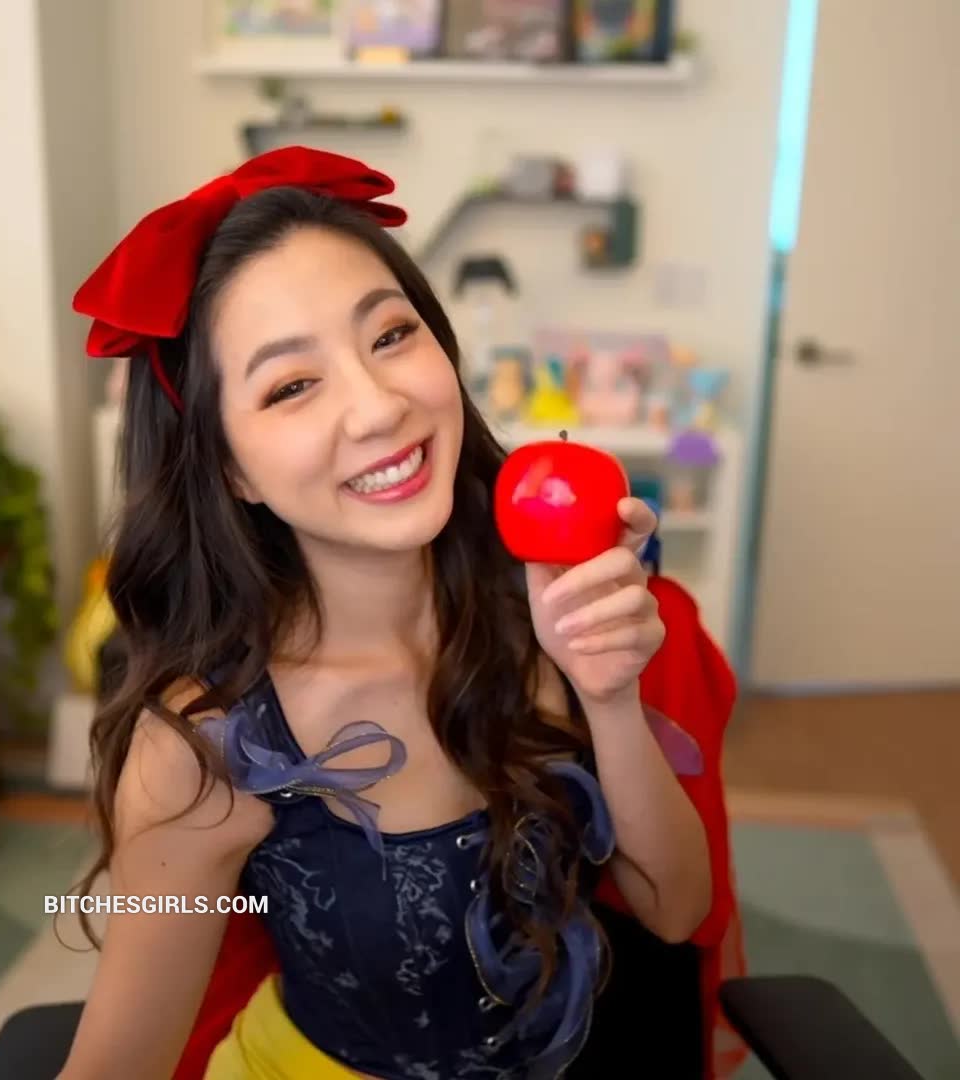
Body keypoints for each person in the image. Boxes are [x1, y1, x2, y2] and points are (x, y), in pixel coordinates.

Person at [58, 146, 730, 1080]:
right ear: (230, 468)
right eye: (292, 386)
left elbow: (676, 909)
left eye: (390, 335)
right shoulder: (202, 743)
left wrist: (607, 695)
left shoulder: (536, 603)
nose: (378, 408)